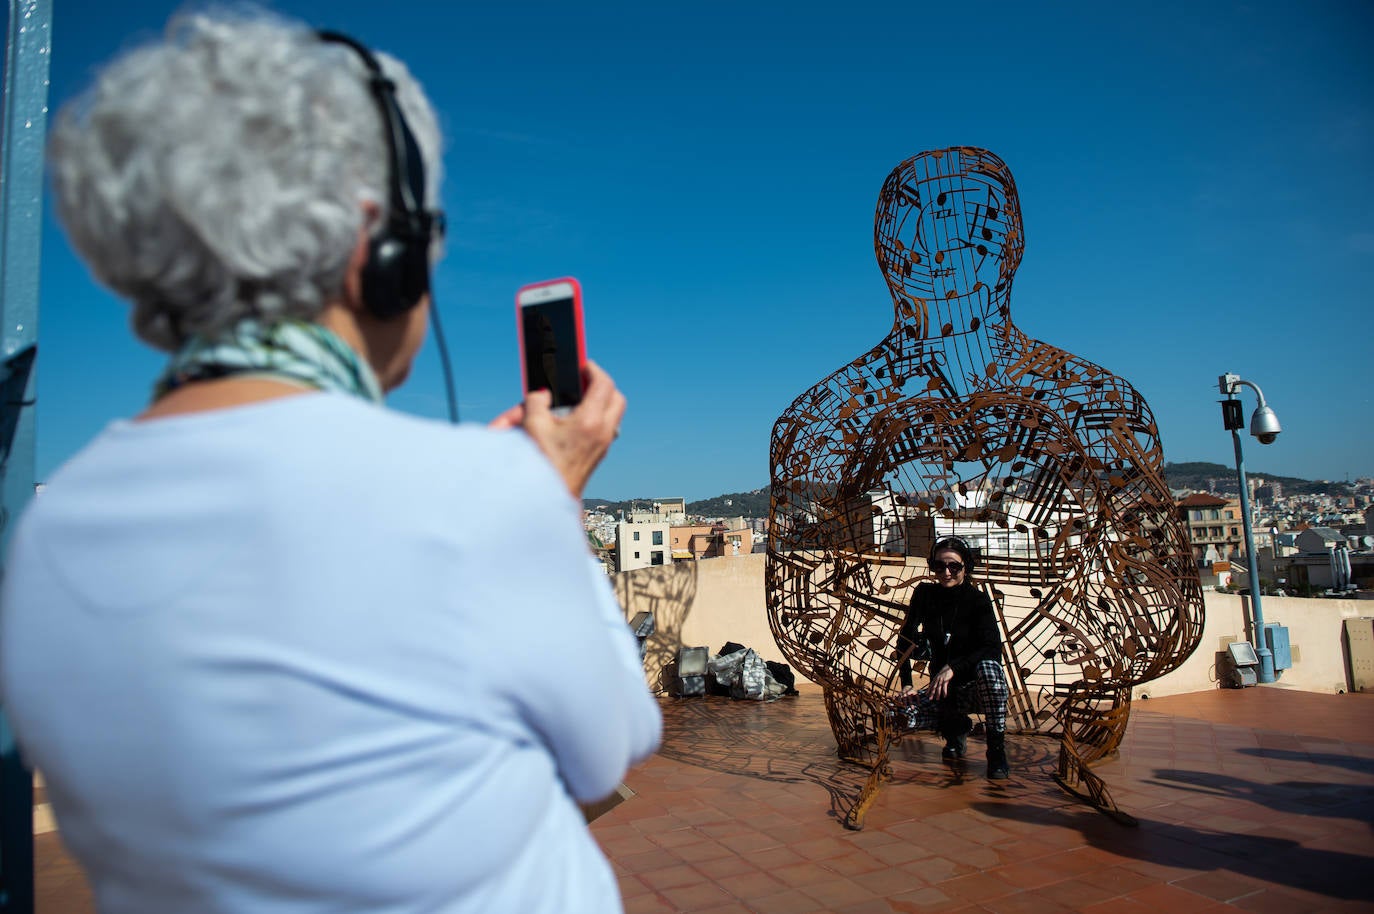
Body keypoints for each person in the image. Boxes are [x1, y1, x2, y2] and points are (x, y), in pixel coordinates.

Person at [0, 11, 660, 914]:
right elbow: (612, 743)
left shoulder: (48, 533)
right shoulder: (485, 497)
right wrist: (551, 503)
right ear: (372, 250)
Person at [893, 537, 1011, 780]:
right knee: (898, 716)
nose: (946, 573)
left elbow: (991, 646)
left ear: (965, 567)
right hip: (942, 691)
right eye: (939, 566)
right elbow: (905, 639)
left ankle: (996, 750)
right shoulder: (925, 594)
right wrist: (906, 683)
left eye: (953, 566)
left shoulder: (976, 600)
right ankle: (955, 731)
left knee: (990, 670)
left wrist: (954, 668)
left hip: (974, 688)